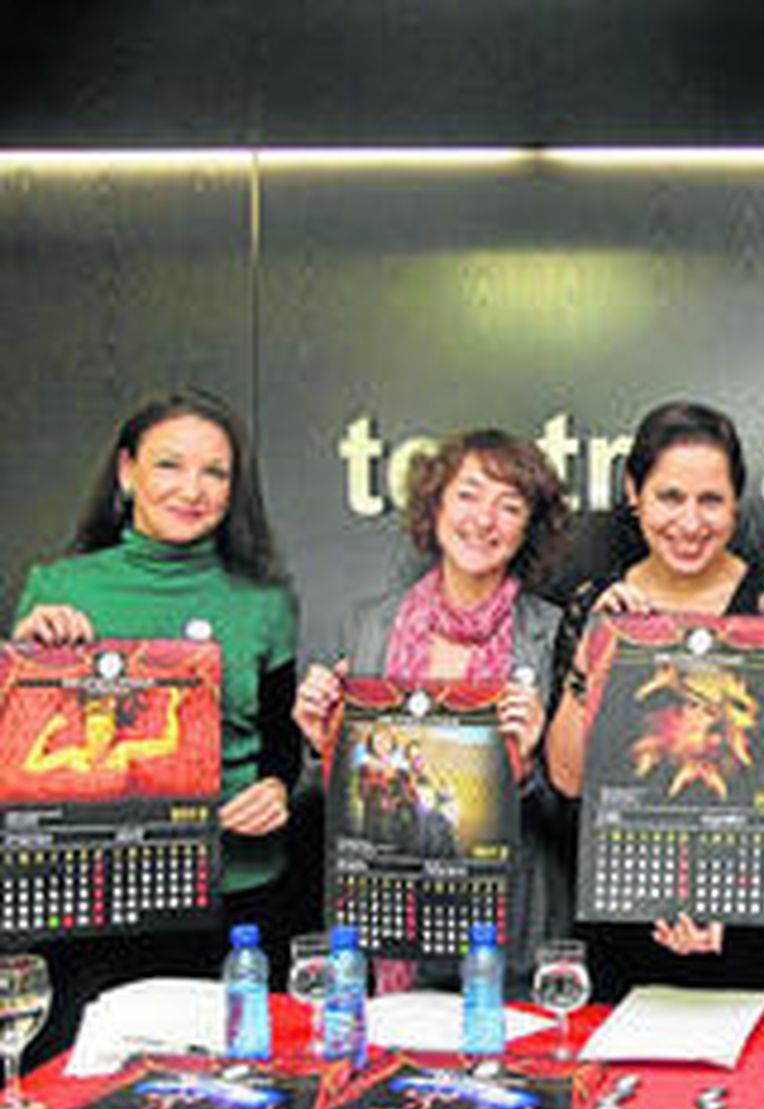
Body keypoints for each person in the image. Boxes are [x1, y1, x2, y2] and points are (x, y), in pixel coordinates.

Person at [12, 389, 300, 1062]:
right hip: (91, 894)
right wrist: (27, 658)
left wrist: (277, 788)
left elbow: (280, 743)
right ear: (127, 471)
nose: (192, 489)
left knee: (233, 1089)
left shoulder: (265, 599)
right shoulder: (59, 588)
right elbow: (25, 756)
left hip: (236, 892)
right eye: (170, 465)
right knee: (82, 1083)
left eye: (214, 472)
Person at [544, 400, 764, 1002]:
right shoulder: (596, 605)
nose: (690, 522)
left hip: (749, 920)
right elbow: (568, 778)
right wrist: (592, 654)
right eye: (670, 497)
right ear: (634, 494)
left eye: (711, 501)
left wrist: (725, 900)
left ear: (735, 505)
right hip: (626, 911)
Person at [293, 428, 569, 990]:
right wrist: (324, 748)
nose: (483, 519)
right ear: (435, 503)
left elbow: (570, 813)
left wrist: (528, 768)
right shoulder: (369, 626)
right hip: (384, 926)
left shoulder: (553, 634)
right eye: (468, 495)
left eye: (509, 505)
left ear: (529, 526)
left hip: (508, 939)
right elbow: (336, 803)